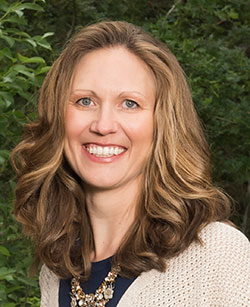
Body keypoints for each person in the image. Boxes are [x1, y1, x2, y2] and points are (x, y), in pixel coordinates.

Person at [11, 21, 249, 307]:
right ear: (57, 117)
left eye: (130, 104)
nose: (103, 125)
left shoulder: (217, 255)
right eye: (85, 101)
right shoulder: (56, 271)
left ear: (162, 125)